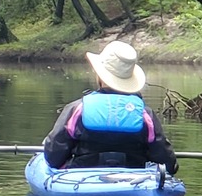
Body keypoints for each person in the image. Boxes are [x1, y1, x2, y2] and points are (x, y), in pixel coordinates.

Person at [43, 41, 178, 173]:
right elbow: (165, 160)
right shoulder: (144, 114)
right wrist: (172, 166)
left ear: (100, 76)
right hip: (134, 178)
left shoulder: (77, 109)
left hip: (81, 175)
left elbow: (54, 155)